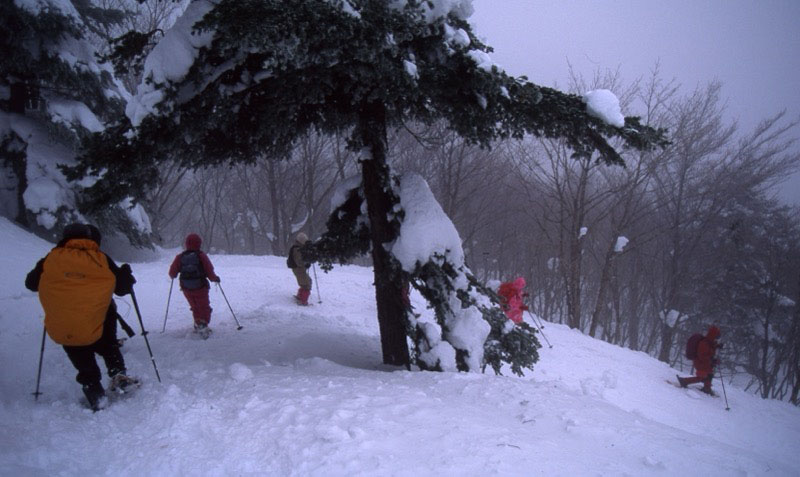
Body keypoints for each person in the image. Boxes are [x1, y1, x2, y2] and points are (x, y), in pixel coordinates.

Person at [25, 223, 139, 411]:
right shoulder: (101, 258)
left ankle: (94, 391)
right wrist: (126, 275)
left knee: (79, 351)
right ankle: (118, 375)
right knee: (108, 345)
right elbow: (122, 288)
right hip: (100, 319)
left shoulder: (51, 258)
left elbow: (31, 283)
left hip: (66, 323)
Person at [168, 233, 220, 336]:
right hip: (200, 287)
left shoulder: (180, 257)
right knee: (204, 306)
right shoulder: (201, 256)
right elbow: (209, 271)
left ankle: (198, 323)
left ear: (187, 243)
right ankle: (202, 325)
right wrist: (215, 279)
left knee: (195, 306)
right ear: (199, 243)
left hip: (186, 288)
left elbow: (172, 273)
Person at [677, 325, 722, 395]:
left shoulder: (710, 342)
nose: (717, 339)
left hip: (705, 363)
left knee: (709, 374)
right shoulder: (704, 343)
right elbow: (702, 356)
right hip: (700, 363)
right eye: (716, 337)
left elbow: (711, 348)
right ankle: (684, 381)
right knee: (702, 377)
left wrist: (717, 346)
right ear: (713, 336)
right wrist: (712, 360)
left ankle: (707, 388)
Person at [287, 232, 312, 305]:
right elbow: (299, 262)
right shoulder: (297, 249)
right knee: (306, 284)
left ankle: (300, 296)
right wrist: (306, 263)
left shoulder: (298, 247)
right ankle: (303, 301)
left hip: (298, 269)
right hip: (299, 269)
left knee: (306, 282)